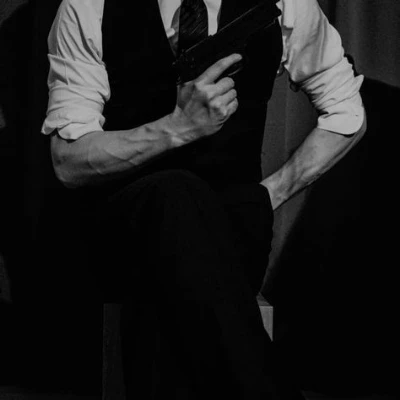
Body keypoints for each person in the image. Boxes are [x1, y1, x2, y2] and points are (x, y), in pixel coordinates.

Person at [41, 0, 366, 399]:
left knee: (163, 304)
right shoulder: (90, 5)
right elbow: (68, 161)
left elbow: (346, 113)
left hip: (233, 231)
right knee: (173, 192)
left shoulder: (285, 4)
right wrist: (177, 128)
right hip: (126, 231)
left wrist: (270, 193)